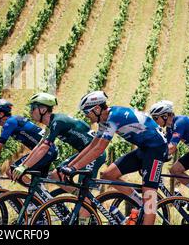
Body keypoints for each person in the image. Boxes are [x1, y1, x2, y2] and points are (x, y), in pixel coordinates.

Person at [61, 91, 168, 225]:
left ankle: (146, 206)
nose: (86, 116)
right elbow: (92, 145)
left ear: (97, 109)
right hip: (144, 149)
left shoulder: (114, 118)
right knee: (108, 174)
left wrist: (74, 168)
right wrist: (70, 166)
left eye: (87, 112)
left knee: (149, 196)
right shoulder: (104, 120)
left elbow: (99, 149)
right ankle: (139, 202)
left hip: (157, 150)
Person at [12, 93, 106, 193]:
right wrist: (23, 165)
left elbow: (44, 148)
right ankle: (81, 199)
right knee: (55, 175)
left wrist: (24, 167)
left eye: (33, 108)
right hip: (85, 152)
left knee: (84, 192)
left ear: (43, 110)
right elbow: (39, 146)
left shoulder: (57, 122)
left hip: (94, 153)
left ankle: (84, 202)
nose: (30, 111)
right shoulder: (52, 124)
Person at [0, 99, 57, 182]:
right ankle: (39, 193)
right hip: (47, 150)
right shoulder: (14, 120)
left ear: (1, 114)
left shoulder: (10, 123)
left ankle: (35, 194)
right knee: (37, 182)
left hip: (45, 151)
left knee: (12, 171)